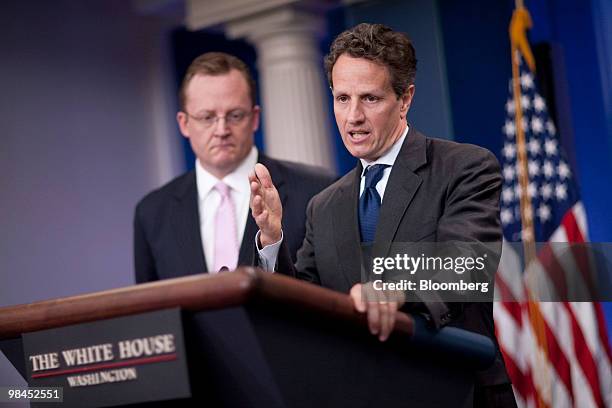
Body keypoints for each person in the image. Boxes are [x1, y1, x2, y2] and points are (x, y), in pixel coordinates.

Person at [250, 24, 516, 407]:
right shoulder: (323, 206)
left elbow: (466, 266)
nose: (353, 116)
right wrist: (273, 239)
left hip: (455, 393)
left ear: (404, 99)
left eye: (370, 99)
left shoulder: (464, 167)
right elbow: (304, 307)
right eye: (342, 98)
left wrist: (395, 290)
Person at [134, 52, 335, 282]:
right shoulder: (151, 213)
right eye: (207, 117)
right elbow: (150, 313)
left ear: (255, 118)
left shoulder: (317, 192)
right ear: (184, 123)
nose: (221, 130)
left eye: (235, 115)